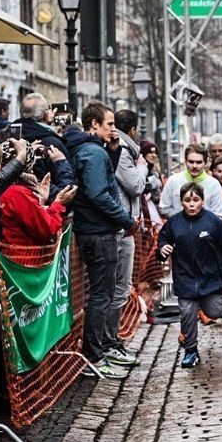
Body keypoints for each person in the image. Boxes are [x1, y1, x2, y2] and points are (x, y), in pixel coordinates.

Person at [65, 102, 138, 378]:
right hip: (99, 232)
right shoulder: (92, 153)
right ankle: (94, 355)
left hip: (92, 229)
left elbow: (100, 182)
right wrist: (125, 219)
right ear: (94, 124)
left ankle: (100, 349)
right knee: (102, 295)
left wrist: (115, 152)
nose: (113, 129)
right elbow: (99, 194)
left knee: (101, 294)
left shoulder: (93, 151)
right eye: (109, 124)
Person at [158, 182, 222, 368]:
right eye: (187, 200)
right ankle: (190, 350)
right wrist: (162, 249)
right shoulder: (174, 222)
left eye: (196, 200)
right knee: (187, 311)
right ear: (181, 202)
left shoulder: (214, 222)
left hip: (211, 278)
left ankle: (215, 304)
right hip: (185, 277)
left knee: (215, 312)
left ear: (202, 201)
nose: (192, 204)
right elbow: (163, 239)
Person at [109, 110, 147, 359]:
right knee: (117, 289)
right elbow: (135, 184)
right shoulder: (123, 150)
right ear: (133, 129)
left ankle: (112, 339)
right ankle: (110, 341)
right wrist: (143, 169)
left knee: (119, 287)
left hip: (124, 226)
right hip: (121, 228)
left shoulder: (123, 148)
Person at [0, 142, 76, 245]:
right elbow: (46, 229)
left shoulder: (7, 187)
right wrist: (58, 204)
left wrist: (40, 200)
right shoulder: (17, 192)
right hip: (21, 257)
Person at [12, 93, 73, 191]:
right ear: (45, 113)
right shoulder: (52, 143)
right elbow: (68, 182)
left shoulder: (11, 136)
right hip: (50, 197)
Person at [159, 144, 222, 218]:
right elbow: (163, 208)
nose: (194, 166)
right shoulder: (173, 180)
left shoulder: (214, 184)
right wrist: (183, 218)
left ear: (206, 163)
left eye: (199, 162)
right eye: (191, 162)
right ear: (185, 161)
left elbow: (219, 215)